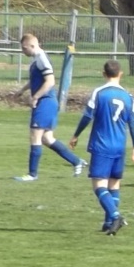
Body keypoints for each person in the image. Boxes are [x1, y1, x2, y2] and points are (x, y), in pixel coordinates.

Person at [68, 60, 134, 236]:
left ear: (103, 74)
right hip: (119, 146)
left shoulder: (99, 93)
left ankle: (115, 216)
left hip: (102, 145)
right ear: (121, 74)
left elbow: (87, 116)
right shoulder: (128, 97)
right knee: (114, 183)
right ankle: (108, 223)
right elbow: (132, 122)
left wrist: (76, 135)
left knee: (99, 185)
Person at [12, 33, 85, 181]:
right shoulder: (36, 59)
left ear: (33, 45)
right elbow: (36, 81)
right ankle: (77, 161)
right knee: (47, 138)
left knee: (35, 136)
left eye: (24, 48)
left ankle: (32, 174)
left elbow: (50, 81)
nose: (23, 51)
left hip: (45, 102)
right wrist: (22, 90)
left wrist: (36, 97)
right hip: (47, 102)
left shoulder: (41, 58)